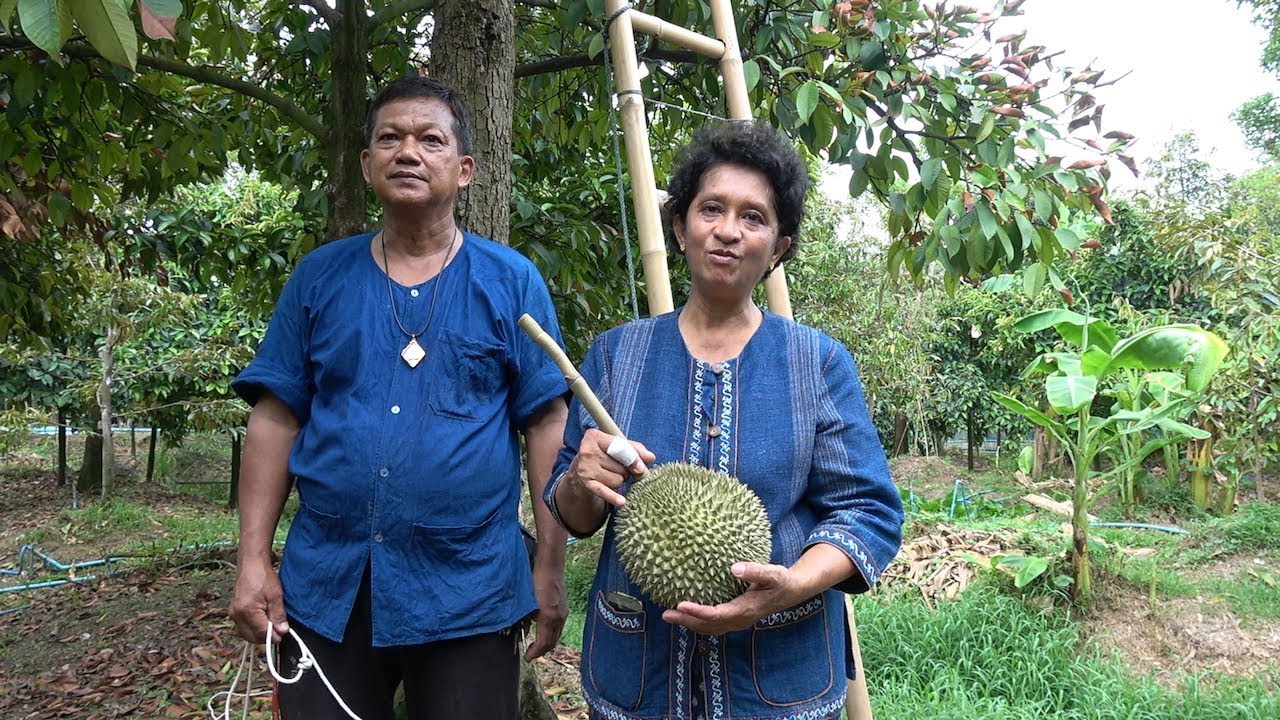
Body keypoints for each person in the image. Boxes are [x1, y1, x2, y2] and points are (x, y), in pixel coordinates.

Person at [229, 75, 569, 720]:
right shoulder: (319, 278)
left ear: (464, 169)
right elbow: (274, 418)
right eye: (389, 138)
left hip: (469, 585)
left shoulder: (511, 280)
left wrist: (550, 569)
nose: (407, 152)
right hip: (328, 585)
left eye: (429, 140)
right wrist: (252, 561)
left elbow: (547, 423)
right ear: (366, 163)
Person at [544, 121, 904, 720]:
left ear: (779, 248)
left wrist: (792, 584)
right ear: (681, 226)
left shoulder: (817, 363)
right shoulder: (615, 355)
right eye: (711, 209)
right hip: (640, 677)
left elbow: (869, 512)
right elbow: (575, 515)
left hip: (778, 677)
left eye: (754, 217)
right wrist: (581, 481)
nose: (729, 231)